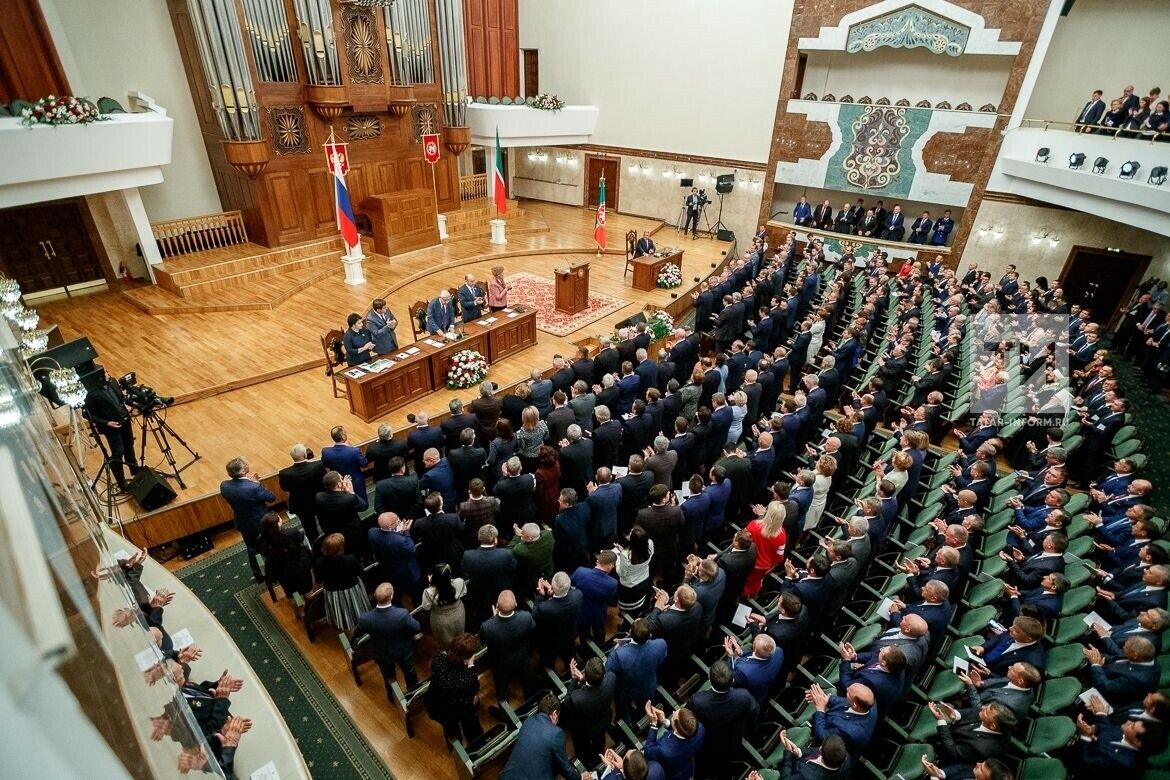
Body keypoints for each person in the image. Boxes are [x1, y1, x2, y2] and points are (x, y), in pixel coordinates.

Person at [689, 660, 758, 779]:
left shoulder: (697, 701)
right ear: (732, 681)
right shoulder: (744, 696)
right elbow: (755, 711)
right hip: (732, 743)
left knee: (701, 772)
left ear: (709, 678)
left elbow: (688, 721)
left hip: (706, 746)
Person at [354, 582, 421, 694]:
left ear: (375, 597)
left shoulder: (365, 619)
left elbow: (357, 634)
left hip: (382, 652)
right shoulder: (402, 614)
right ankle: (413, 693)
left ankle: (392, 697)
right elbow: (416, 628)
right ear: (391, 596)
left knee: (389, 678)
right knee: (409, 672)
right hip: (403, 650)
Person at [499, 693, 583, 780]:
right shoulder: (556, 733)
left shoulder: (527, 722)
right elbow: (565, 768)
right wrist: (580, 778)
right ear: (554, 714)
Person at [219, 456, 275, 582]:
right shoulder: (254, 487)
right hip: (261, 522)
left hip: (243, 522)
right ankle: (275, 572)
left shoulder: (224, 486)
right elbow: (271, 497)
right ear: (244, 471)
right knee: (271, 545)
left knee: (252, 549)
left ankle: (259, 575)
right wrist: (257, 483)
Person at [83, 369, 139, 491]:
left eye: (107, 371)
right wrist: (107, 423)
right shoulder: (91, 394)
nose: (108, 374)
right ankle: (121, 482)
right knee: (118, 452)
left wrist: (128, 405)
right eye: (105, 373)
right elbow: (87, 414)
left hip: (125, 420)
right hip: (111, 427)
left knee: (129, 444)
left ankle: (134, 469)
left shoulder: (113, 382)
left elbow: (121, 398)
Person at [425, 633, 484, 745]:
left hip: (438, 702)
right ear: (466, 657)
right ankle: (476, 745)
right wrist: (470, 665)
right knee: (471, 726)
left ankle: (455, 747)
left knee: (450, 730)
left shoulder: (438, 657)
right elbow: (474, 688)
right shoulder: (467, 676)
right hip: (460, 705)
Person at [606, 618, 668, 724]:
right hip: (648, 686)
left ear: (630, 632)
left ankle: (625, 725)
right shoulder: (660, 645)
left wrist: (616, 650)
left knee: (624, 709)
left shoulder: (618, 654)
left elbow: (608, 671)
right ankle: (642, 721)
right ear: (650, 635)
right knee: (644, 708)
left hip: (626, 690)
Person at [479, 590, 535, 703]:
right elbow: (532, 629)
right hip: (522, 657)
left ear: (497, 606)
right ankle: (531, 700)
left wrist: (494, 619)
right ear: (515, 604)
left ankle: (504, 708)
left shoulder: (488, 626)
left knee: (501, 687)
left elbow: (483, 640)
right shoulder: (526, 617)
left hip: (500, 662)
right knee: (527, 681)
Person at [562, 657, 617, 769]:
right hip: (603, 721)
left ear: (586, 675)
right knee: (600, 742)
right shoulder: (611, 679)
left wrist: (574, 678)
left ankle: (584, 764)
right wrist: (582, 679)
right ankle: (600, 757)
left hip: (584, 729)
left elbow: (567, 703)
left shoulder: (576, 699)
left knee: (581, 747)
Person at [312, 533, 369, 632]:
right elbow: (360, 573)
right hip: (353, 590)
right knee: (359, 611)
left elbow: (319, 581)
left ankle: (348, 632)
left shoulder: (320, 563)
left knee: (342, 616)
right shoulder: (351, 559)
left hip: (333, 593)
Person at [276, 443, 326, 542]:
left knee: (309, 528)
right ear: (305, 455)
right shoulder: (318, 465)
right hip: (318, 500)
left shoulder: (284, 473)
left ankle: (314, 545)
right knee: (325, 522)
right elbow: (324, 481)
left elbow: (284, 488)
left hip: (300, 504)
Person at [255, 511, 312, 597]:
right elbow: (301, 539)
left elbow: (261, 552)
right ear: (277, 524)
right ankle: (311, 606)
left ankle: (300, 608)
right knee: (307, 589)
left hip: (280, 570)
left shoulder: (260, 540)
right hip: (300, 565)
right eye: (279, 518)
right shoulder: (291, 532)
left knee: (293, 592)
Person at [643, 703, 704, 780]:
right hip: (685, 767)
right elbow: (681, 731)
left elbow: (648, 751)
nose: (673, 712)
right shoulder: (700, 729)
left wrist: (654, 723)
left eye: (675, 715)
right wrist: (664, 721)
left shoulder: (663, 750)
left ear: (675, 726)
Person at [744, 501, 787, 598]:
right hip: (762, 569)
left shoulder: (753, 525)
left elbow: (741, 541)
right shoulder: (782, 534)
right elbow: (779, 558)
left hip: (746, 564)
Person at [421, 564, 467, 647]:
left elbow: (426, 607)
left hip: (440, 619)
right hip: (459, 613)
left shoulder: (428, 592)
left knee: (445, 643)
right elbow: (464, 592)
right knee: (460, 638)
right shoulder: (459, 582)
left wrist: (431, 584)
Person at [321, 425, 369, 504]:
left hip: (337, 484)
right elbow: (364, 464)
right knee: (362, 503)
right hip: (355, 482)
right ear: (343, 437)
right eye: (345, 433)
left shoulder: (326, 452)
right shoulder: (354, 451)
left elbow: (326, 464)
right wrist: (352, 448)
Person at [614, 526, 655, 613]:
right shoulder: (650, 544)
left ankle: (628, 622)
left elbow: (622, 573)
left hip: (630, 586)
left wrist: (618, 560)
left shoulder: (626, 555)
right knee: (639, 604)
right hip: (644, 580)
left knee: (628, 609)